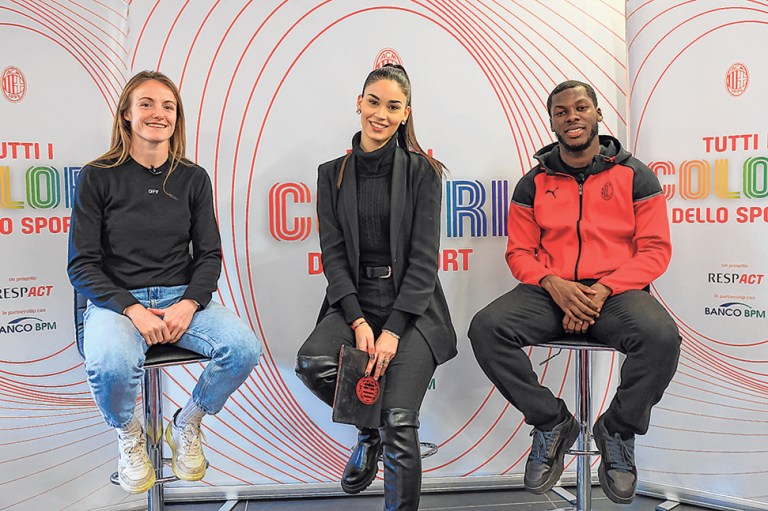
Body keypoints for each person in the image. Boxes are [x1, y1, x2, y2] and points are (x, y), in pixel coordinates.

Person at [468, 80, 680, 505]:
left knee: (662, 337)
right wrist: (554, 285)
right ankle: (551, 422)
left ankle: (617, 430)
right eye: (561, 112)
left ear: (598, 115)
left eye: (581, 108)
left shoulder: (635, 175)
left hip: (616, 291)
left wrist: (601, 290)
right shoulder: (532, 184)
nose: (572, 117)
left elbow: (655, 251)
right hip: (552, 289)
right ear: (552, 122)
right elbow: (520, 254)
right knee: (486, 328)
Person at [67, 70, 262, 494]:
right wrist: (133, 310)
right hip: (117, 304)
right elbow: (81, 266)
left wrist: (188, 304)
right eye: (147, 104)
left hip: (180, 299)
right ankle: (130, 433)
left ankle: (186, 422)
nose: (159, 114)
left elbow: (209, 256)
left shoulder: (193, 178)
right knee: (112, 363)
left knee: (244, 348)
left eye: (168, 106)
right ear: (126, 115)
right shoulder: (97, 176)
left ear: (178, 118)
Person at [295, 63, 457, 511]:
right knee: (313, 364)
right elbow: (334, 258)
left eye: (393, 106)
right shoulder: (332, 174)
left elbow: (424, 262)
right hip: (355, 303)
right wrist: (359, 320)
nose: (381, 114)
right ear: (358, 102)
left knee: (400, 421)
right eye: (373, 102)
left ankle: (381, 432)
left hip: (414, 309)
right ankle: (367, 432)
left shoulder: (423, 172)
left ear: (406, 113)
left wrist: (392, 330)